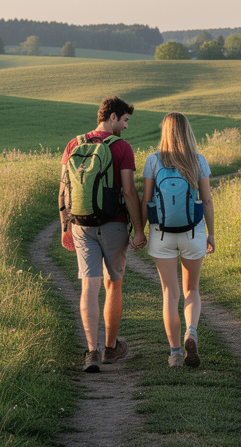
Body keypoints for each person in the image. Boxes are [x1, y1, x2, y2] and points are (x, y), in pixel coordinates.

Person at [60, 96, 147, 373]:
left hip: (81, 224)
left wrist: (65, 227)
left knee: (89, 285)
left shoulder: (74, 144)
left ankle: (91, 352)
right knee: (114, 284)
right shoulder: (122, 148)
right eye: (124, 120)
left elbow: (63, 190)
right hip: (114, 224)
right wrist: (139, 231)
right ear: (112, 117)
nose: (125, 126)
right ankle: (110, 348)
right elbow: (129, 192)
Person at [141, 112, 214, 367]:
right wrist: (211, 234)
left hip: (162, 234)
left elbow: (146, 200)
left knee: (170, 293)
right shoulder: (198, 160)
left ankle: (174, 354)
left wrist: (139, 231)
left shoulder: (153, 161)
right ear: (187, 132)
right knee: (191, 289)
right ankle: (191, 331)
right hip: (193, 233)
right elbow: (206, 200)